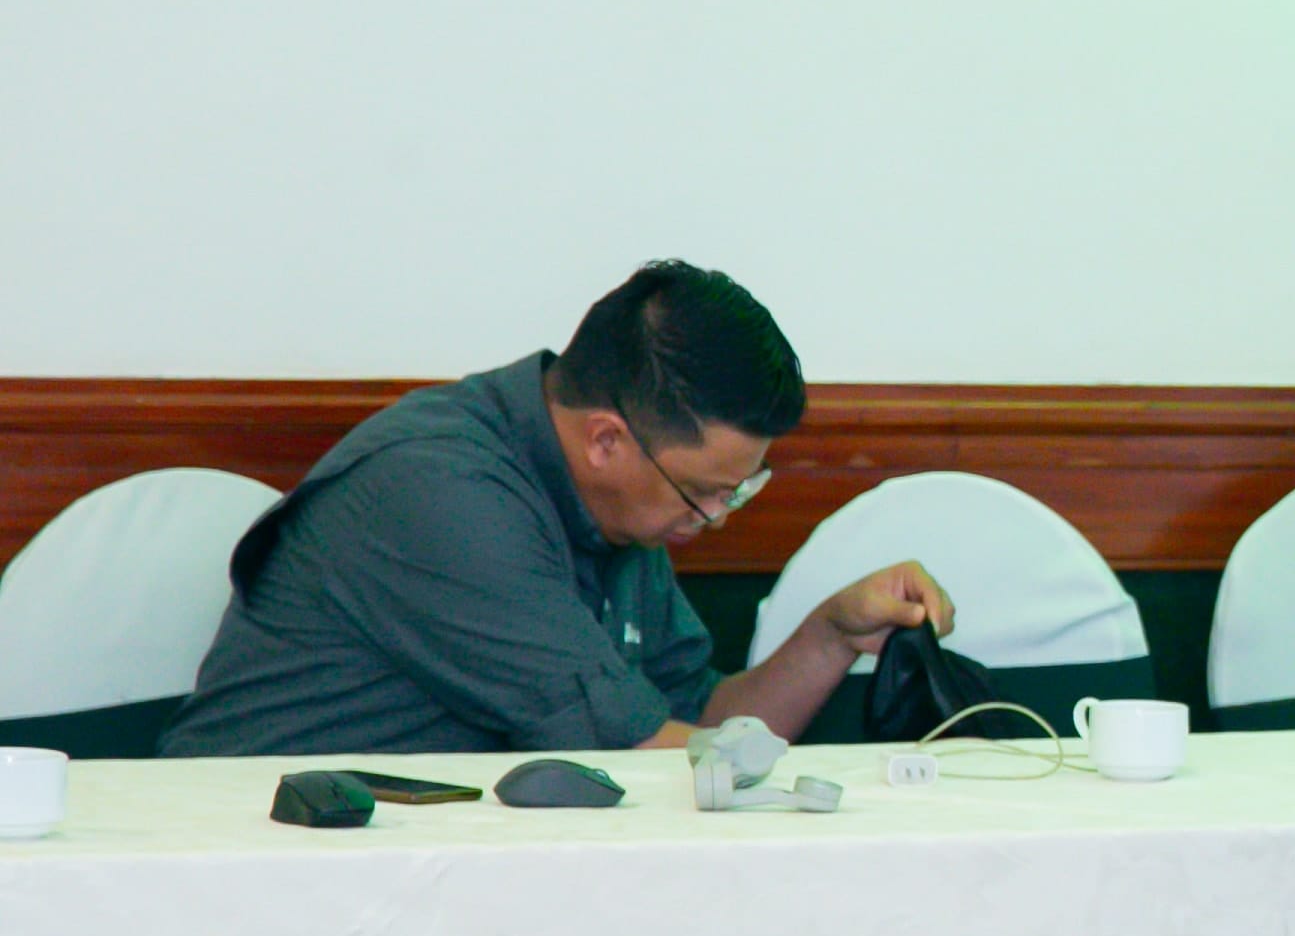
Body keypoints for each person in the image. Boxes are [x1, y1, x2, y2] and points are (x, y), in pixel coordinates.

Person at [165, 261, 951, 757]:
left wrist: (830, 637)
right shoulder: (438, 494)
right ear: (608, 439)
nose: (716, 518)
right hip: (258, 868)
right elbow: (639, 753)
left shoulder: (621, 504)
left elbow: (699, 723)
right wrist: (848, 796)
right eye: (703, 492)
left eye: (738, 490)